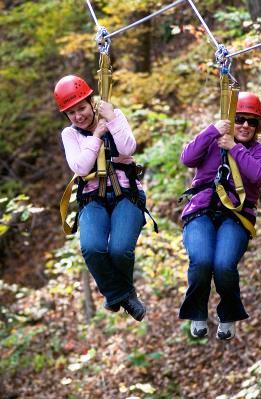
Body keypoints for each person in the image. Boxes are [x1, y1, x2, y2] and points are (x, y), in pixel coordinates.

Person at [178, 92, 261, 340]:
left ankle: (228, 313)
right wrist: (212, 131)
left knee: (223, 265)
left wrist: (234, 147)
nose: (244, 126)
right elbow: (187, 158)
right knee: (201, 261)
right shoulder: (212, 141)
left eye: (251, 122)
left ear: (258, 126)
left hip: (236, 217)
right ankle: (197, 312)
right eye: (240, 119)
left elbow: (258, 174)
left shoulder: (260, 151)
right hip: (201, 211)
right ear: (230, 120)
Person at [54, 75, 147, 322]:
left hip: (126, 193)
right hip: (92, 197)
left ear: (91, 102)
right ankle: (122, 294)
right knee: (92, 248)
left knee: (119, 249)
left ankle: (118, 295)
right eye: (71, 112)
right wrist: (96, 136)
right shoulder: (70, 135)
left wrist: (113, 119)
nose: (78, 116)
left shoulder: (113, 115)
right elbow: (81, 167)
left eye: (81, 108)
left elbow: (128, 149)